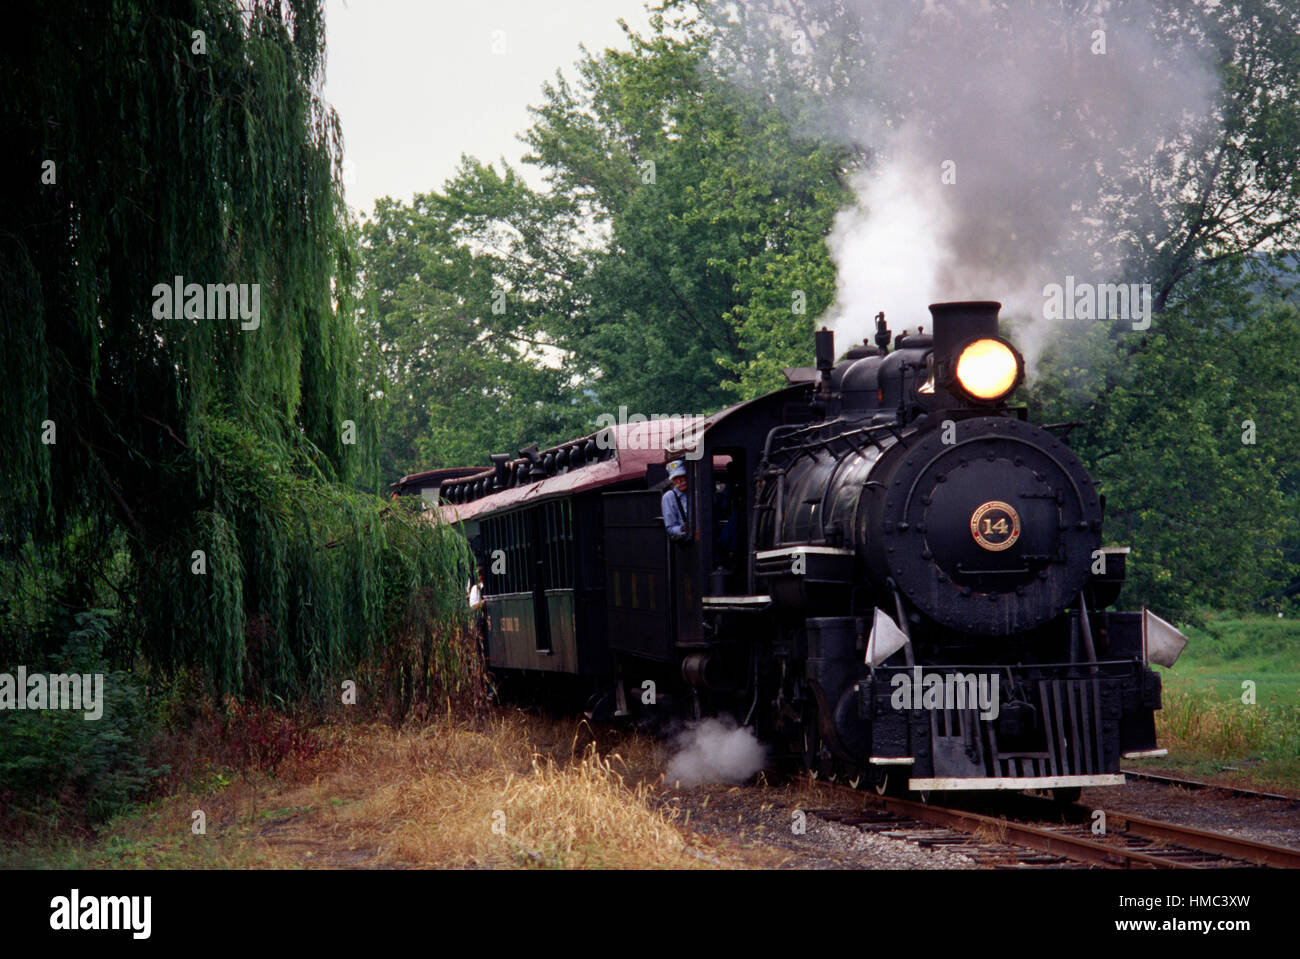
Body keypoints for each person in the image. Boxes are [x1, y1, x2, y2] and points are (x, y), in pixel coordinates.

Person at [661, 460, 689, 542]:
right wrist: (682, 529)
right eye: (675, 478)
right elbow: (670, 528)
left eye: (681, 476)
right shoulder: (669, 497)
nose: (679, 481)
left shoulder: (698, 492)